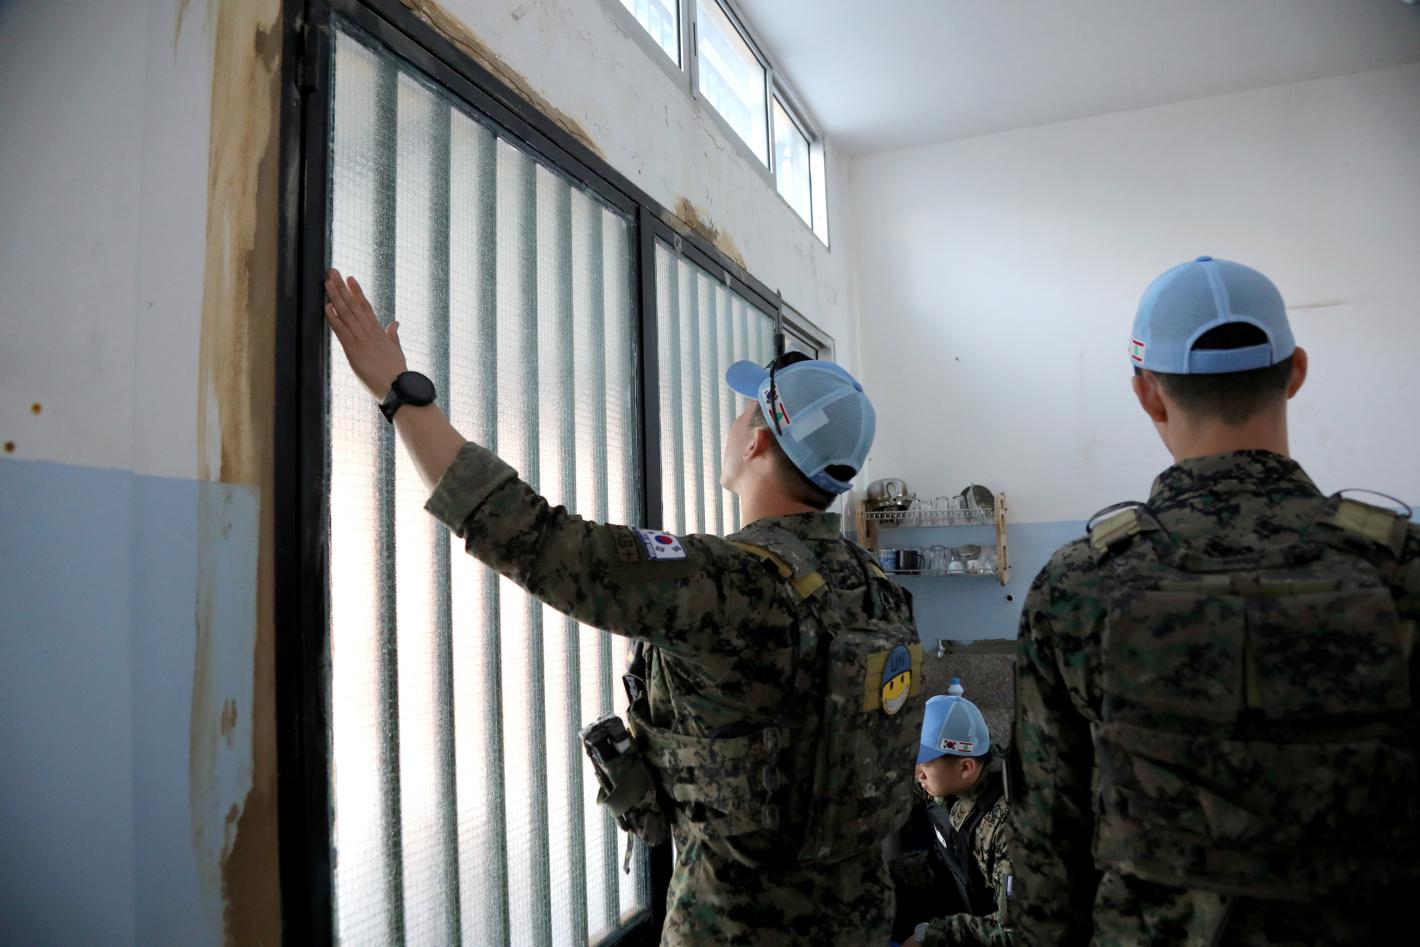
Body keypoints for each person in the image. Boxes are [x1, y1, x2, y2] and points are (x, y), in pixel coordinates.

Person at [322, 268, 927, 945]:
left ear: (756, 439)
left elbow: (533, 537)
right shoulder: (877, 587)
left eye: (743, 411)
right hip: (861, 924)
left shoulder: (731, 584)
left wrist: (400, 392)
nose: (732, 424)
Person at [1011, 256, 1420, 945]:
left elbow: (1050, 853)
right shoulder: (1400, 567)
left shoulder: (1076, 585)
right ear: (1295, 371)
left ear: (1147, 393)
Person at [891, 679, 1015, 947]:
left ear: (966, 767)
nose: (916, 774)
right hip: (951, 876)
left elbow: (1013, 933)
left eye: (923, 764)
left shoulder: (1008, 827)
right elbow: (897, 792)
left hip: (986, 924)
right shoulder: (945, 776)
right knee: (874, 882)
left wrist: (932, 936)